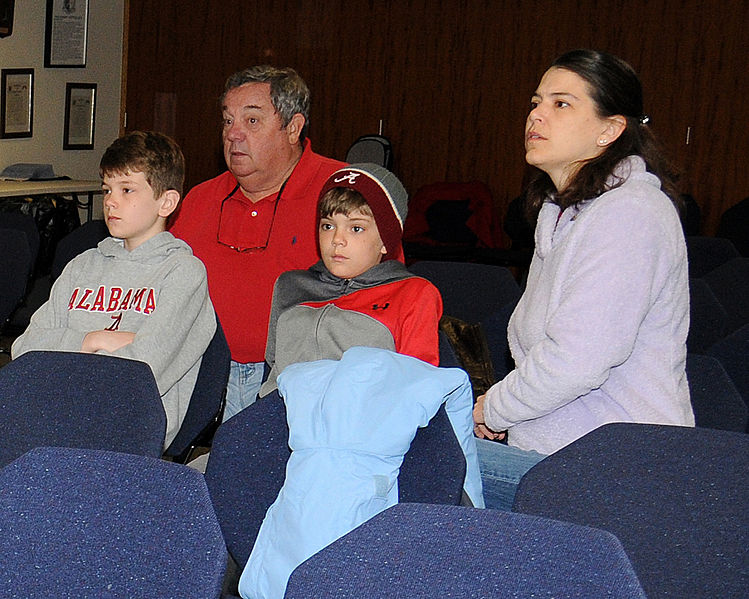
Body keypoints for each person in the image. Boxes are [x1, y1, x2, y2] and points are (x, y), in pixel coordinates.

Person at [473, 49, 694, 510]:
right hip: (557, 456)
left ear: (609, 130)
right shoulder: (562, 214)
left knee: (413, 460)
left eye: (561, 103)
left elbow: (578, 359)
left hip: (618, 473)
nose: (536, 115)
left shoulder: (630, 214)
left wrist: (493, 408)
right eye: (536, 102)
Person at [12, 131, 216, 448]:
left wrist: (66, 355)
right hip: (57, 413)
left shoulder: (183, 273)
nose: (110, 201)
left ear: (167, 201)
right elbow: (24, 350)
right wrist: (93, 339)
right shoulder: (82, 266)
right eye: (107, 189)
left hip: (129, 426)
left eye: (127, 190)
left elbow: (142, 372)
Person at [169, 65, 345, 420]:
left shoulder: (342, 192)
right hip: (200, 376)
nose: (233, 134)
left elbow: (382, 296)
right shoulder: (200, 199)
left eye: (251, 121)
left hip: (301, 384)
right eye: (227, 120)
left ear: (293, 128)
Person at [259, 163, 443, 398]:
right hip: (281, 416)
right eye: (328, 225)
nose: (337, 239)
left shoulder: (414, 293)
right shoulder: (291, 286)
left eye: (356, 228)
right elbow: (274, 368)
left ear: (386, 241)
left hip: (363, 425)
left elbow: (417, 386)